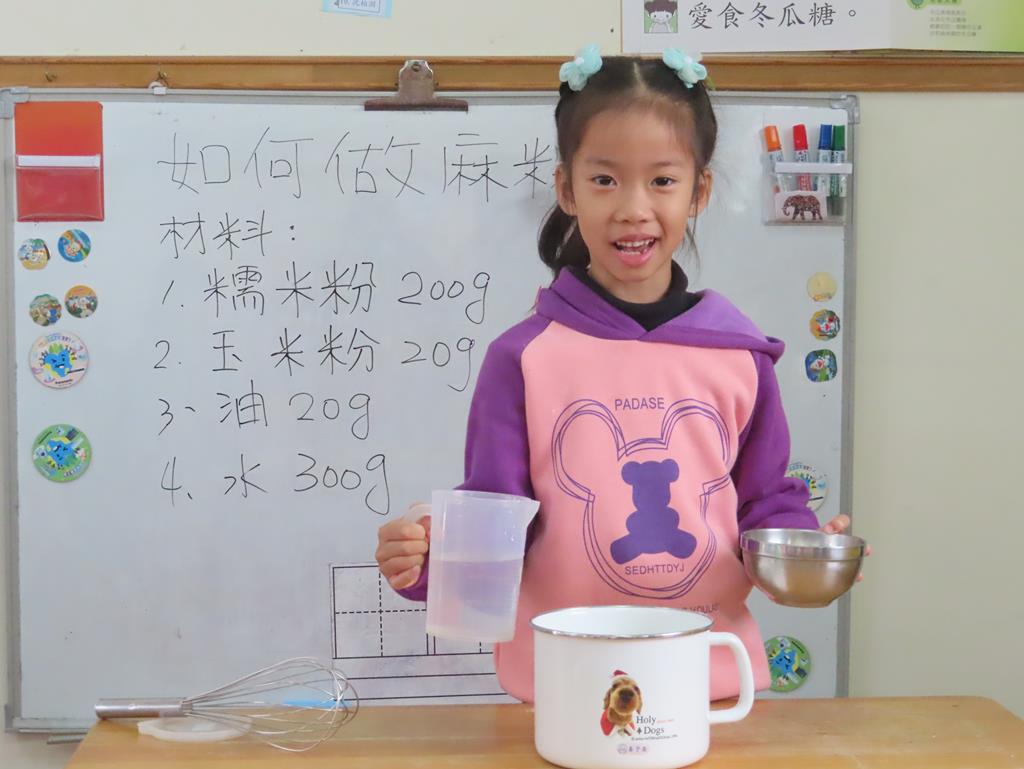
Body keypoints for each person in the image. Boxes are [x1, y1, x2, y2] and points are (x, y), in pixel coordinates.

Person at [376, 45, 860, 703]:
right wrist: (425, 562)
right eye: (605, 180)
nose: (633, 207)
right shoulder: (523, 358)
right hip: (563, 683)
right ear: (567, 189)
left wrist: (801, 551)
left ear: (699, 192)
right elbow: (494, 520)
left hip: (707, 680)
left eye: (662, 181)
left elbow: (765, 502)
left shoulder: (741, 356)